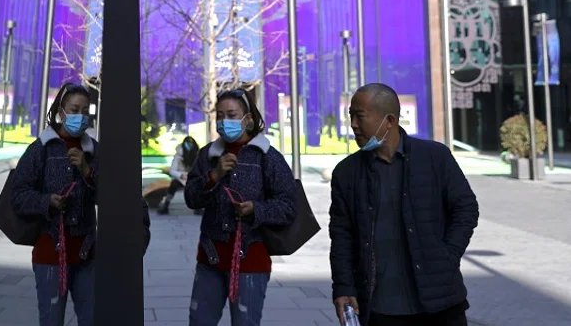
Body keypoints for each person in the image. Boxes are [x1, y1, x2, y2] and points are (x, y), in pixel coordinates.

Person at [329, 84, 479, 326]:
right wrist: (343, 287)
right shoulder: (347, 173)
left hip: (439, 303)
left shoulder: (434, 158)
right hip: (379, 308)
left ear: (389, 120)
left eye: (360, 116)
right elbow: (341, 235)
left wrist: (447, 256)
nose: (353, 124)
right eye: (351, 116)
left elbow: (466, 208)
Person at [184, 89, 299, 325]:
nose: (225, 121)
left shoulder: (267, 156)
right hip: (211, 258)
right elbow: (191, 199)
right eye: (220, 115)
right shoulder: (208, 155)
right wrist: (213, 175)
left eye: (232, 115)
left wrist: (256, 209)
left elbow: (288, 206)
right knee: (199, 320)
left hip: (251, 261)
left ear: (247, 119)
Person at [10, 83, 98, 326]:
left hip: (86, 254)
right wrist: (46, 201)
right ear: (61, 111)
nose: (79, 116)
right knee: (51, 320)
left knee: (91, 318)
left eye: (84, 111)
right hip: (50, 253)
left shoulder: (93, 150)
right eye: (74, 109)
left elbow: (106, 196)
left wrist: (86, 169)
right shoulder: (41, 149)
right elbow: (18, 195)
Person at [158, 135, 200, 215]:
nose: (189, 145)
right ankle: (165, 205)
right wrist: (181, 175)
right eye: (187, 143)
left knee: (199, 186)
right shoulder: (178, 156)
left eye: (191, 143)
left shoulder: (198, 156)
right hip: (181, 178)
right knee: (173, 185)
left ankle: (198, 207)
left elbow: (200, 169)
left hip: (193, 178)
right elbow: (172, 170)